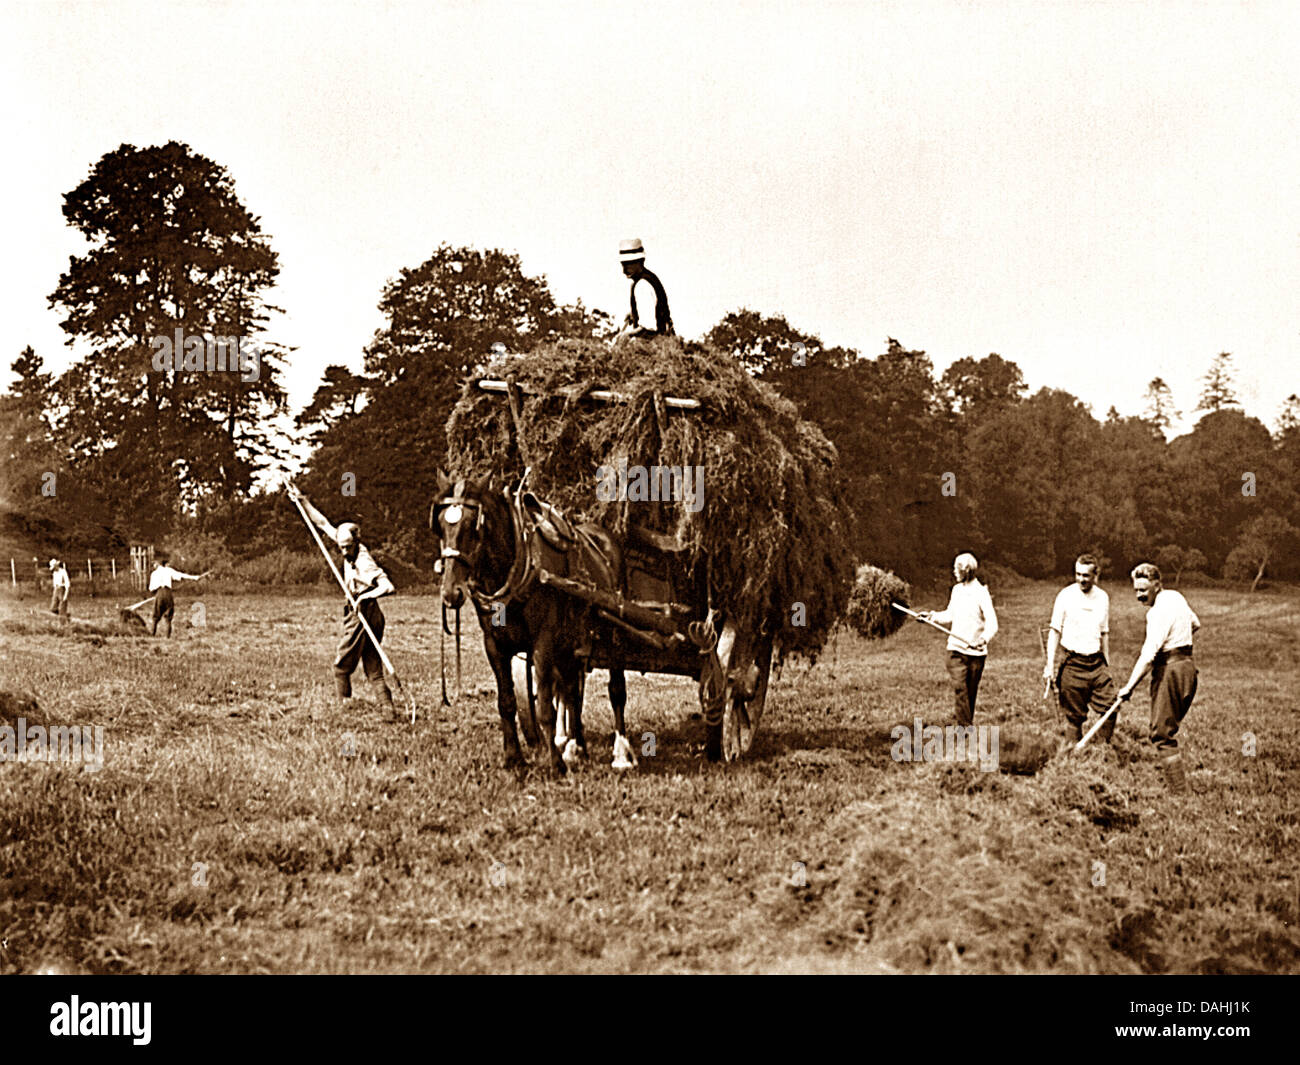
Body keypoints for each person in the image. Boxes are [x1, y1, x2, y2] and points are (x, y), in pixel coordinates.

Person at [286, 484, 397, 714]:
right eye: (341, 547)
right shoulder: (343, 539)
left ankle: (343, 711)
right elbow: (322, 523)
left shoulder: (364, 561)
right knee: (373, 669)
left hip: (364, 611)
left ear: (357, 542)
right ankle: (388, 710)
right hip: (365, 610)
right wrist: (302, 500)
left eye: (348, 547)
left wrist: (364, 596)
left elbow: (388, 587)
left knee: (340, 667)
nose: (344, 552)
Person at [1116, 562, 1200, 792]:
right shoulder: (1176, 597)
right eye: (1136, 590)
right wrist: (1177, 641)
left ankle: (1179, 792)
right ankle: (1178, 788)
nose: (1139, 596)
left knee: (1161, 734)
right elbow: (1196, 623)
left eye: (1144, 590)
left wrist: (1128, 687)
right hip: (1188, 668)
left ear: (1157, 585)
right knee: (1167, 728)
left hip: (1171, 672)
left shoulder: (1156, 613)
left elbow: (1148, 655)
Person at [1044, 553, 1120, 750]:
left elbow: (1104, 633)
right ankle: (1074, 757)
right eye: (1078, 574)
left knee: (1111, 706)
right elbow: (1054, 631)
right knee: (1074, 718)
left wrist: (1107, 664)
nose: (1081, 579)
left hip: (1096, 663)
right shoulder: (1065, 596)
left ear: (1096, 575)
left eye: (1086, 575)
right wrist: (1049, 666)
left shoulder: (1103, 597)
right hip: (1072, 662)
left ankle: (1102, 751)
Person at [919, 552, 997, 726]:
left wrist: (983, 640)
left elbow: (993, 623)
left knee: (970, 693)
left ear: (966, 570)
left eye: (956, 568)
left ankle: (965, 724)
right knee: (960, 689)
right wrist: (930, 616)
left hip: (976, 653)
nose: (954, 571)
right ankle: (965, 730)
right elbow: (950, 615)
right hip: (955, 651)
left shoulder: (981, 593)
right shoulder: (956, 591)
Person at [615, 238, 674, 340]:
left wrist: (625, 336)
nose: (624, 270)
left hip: (656, 346)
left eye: (628, 264)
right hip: (666, 342)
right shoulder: (650, 278)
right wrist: (634, 312)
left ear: (640, 261)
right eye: (623, 264)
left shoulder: (642, 285)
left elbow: (648, 329)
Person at [148, 558, 204, 637]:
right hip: (168, 594)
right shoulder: (169, 570)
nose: (153, 566)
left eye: (153, 564)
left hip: (159, 593)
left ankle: (152, 635)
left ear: (156, 564)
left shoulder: (154, 574)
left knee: (155, 616)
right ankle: (167, 637)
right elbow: (181, 575)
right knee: (168, 617)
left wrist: (157, 593)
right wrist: (195, 577)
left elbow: (151, 589)